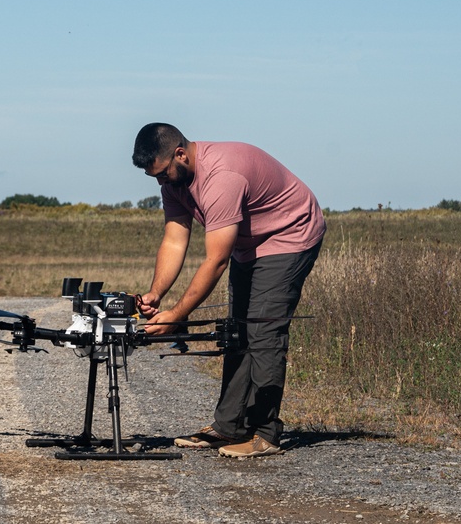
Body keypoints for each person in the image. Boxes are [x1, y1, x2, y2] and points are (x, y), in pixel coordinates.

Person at [131, 123, 325, 458]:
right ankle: (230, 427)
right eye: (155, 178)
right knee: (237, 332)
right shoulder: (174, 181)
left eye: (163, 174)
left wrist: (177, 315)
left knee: (264, 332)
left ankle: (266, 434)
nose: (161, 183)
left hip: (289, 236)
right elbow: (175, 240)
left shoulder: (221, 176)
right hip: (250, 243)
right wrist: (156, 294)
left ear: (180, 154)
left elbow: (216, 261)